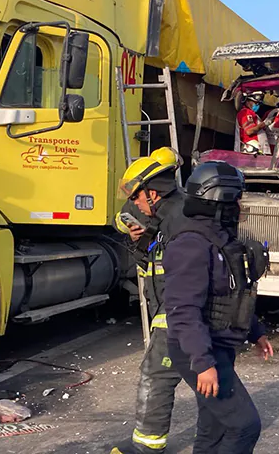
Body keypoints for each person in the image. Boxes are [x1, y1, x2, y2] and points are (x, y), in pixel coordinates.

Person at [163, 161, 274, 453]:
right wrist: (203, 363)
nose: (240, 205)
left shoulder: (221, 240)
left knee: (213, 429)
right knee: (244, 425)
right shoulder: (191, 244)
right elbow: (183, 311)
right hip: (198, 352)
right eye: (236, 198)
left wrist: (256, 332)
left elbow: (233, 294)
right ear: (220, 198)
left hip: (217, 346)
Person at [111, 148, 186, 454]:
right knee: (205, 379)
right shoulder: (167, 217)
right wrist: (141, 238)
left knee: (157, 377)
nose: (136, 205)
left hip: (177, 313)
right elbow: (127, 225)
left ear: (153, 193)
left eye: (139, 198)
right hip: (173, 310)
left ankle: (146, 448)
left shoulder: (177, 219)